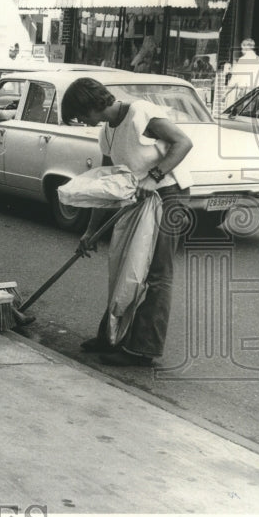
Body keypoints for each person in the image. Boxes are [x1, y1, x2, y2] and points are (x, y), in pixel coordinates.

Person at [61, 77, 194, 368]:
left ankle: (143, 349)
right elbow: (107, 182)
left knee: (155, 275)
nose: (83, 121)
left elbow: (183, 143)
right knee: (125, 267)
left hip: (169, 196)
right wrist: (90, 231)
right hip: (138, 198)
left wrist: (155, 177)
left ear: (93, 104)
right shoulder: (106, 133)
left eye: (82, 114)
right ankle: (112, 337)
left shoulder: (141, 112)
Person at [223, 38, 259, 108]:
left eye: (242, 48)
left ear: (244, 47)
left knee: (241, 117)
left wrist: (225, 94)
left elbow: (235, 80)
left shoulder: (243, 60)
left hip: (247, 94)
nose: (241, 51)